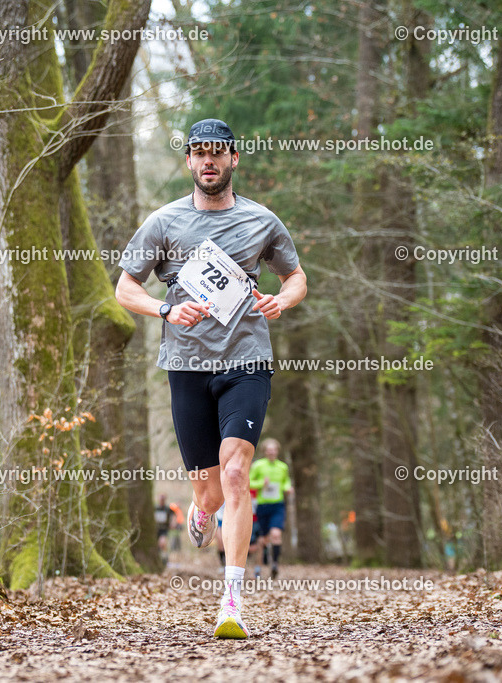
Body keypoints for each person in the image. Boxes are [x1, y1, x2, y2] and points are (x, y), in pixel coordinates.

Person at [115, 118, 307, 639]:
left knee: (236, 474)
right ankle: (202, 515)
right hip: (186, 366)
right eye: (199, 153)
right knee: (209, 493)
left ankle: (232, 602)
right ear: (188, 163)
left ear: (233, 159)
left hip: (246, 358)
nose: (208, 161)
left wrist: (281, 300)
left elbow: (296, 276)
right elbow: (124, 289)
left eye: (217, 153)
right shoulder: (163, 222)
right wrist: (163, 310)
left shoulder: (261, 221)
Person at [250, 437, 293, 579]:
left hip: (277, 505)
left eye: (274, 450)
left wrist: (287, 488)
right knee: (262, 540)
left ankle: (274, 564)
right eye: (269, 450)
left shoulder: (283, 467)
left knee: (276, 535)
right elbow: (249, 483)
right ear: (265, 452)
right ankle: (258, 567)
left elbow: (285, 482)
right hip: (262, 506)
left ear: (277, 451)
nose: (271, 453)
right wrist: (262, 483)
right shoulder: (258, 466)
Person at [155, 494, 175, 565]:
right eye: (160, 500)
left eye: (163, 500)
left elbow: (173, 515)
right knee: (156, 545)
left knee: (163, 543)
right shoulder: (155, 508)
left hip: (164, 530)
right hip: (155, 530)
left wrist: (172, 523)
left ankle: (165, 559)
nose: (161, 501)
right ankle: (158, 558)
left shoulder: (167, 509)